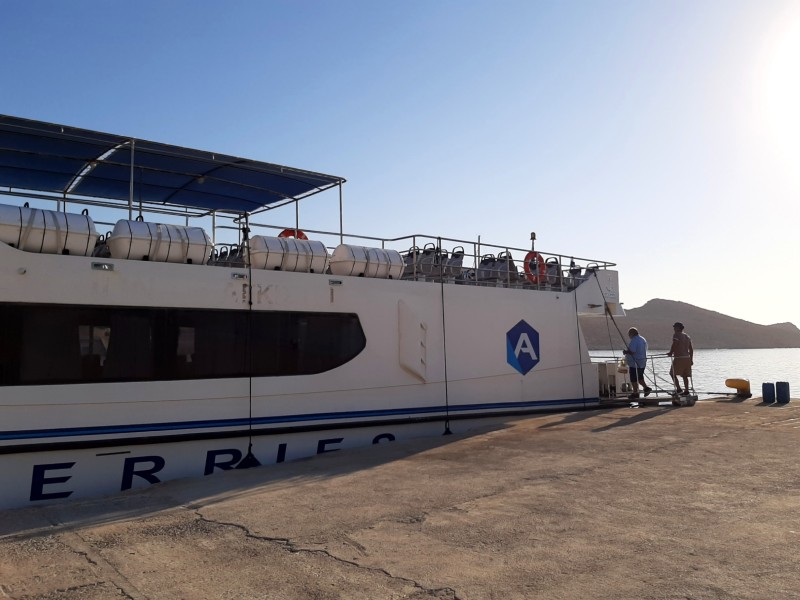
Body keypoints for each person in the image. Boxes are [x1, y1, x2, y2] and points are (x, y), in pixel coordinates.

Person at [622, 327, 652, 399]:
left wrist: (625, 352)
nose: (629, 336)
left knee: (633, 378)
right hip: (642, 361)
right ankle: (646, 388)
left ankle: (635, 393)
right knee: (640, 377)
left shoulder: (634, 340)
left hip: (635, 362)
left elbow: (632, 351)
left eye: (629, 334)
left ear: (632, 333)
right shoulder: (642, 339)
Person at [667, 322, 694, 396]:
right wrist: (691, 359)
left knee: (672, 373)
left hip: (679, 357)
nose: (674, 329)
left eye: (675, 327)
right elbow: (691, 349)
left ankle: (678, 389)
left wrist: (670, 352)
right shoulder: (687, 336)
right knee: (684, 375)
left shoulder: (677, 335)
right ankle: (686, 390)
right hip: (687, 358)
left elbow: (675, 344)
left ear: (679, 328)